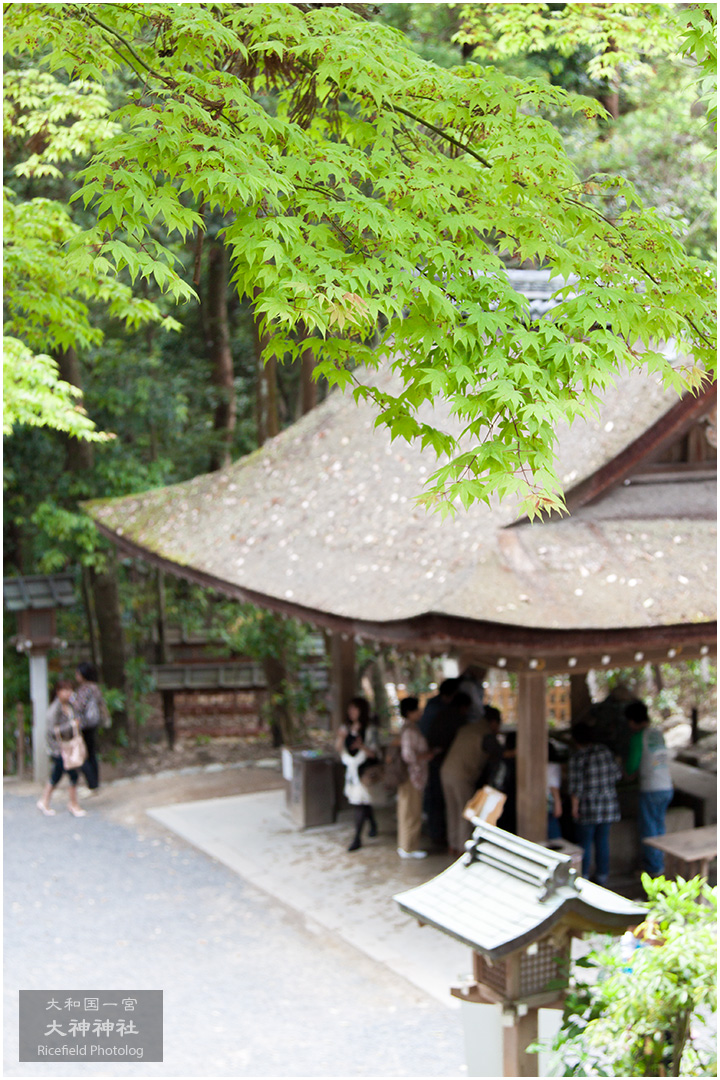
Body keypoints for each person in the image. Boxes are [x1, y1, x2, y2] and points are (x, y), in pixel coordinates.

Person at [568, 721, 621, 886]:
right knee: (602, 841)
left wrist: (574, 808)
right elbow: (617, 775)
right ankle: (602, 876)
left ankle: (582, 877)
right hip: (608, 805)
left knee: (584, 843)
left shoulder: (578, 758)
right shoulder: (605, 751)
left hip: (588, 807)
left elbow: (575, 787)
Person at [625, 701, 674, 876]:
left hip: (651, 788)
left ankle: (654, 871)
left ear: (632, 721)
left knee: (649, 831)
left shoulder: (638, 737)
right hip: (666, 786)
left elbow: (631, 766)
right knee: (659, 827)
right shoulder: (658, 734)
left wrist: (627, 773)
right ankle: (659, 864)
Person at [437, 692, 482, 856]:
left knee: (452, 810)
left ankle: (453, 846)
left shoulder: (462, 726)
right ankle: (464, 849)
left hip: (445, 770)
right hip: (460, 774)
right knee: (465, 811)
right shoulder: (477, 729)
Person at [37, 679, 87, 818]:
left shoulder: (70, 706)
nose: (68, 693)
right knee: (72, 774)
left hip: (68, 747)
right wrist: (71, 725)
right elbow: (52, 732)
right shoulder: (54, 709)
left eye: (70, 689)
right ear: (58, 692)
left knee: (57, 775)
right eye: (65, 690)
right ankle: (73, 804)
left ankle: (44, 801)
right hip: (59, 749)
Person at [397, 696, 434, 859]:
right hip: (412, 776)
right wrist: (426, 756)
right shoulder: (410, 730)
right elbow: (408, 755)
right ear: (410, 712)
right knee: (411, 812)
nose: (420, 712)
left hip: (412, 776)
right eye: (417, 709)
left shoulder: (409, 728)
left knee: (408, 811)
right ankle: (409, 847)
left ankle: (406, 845)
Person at [339, 705, 378, 852]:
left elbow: (374, 754)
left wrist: (361, 746)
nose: (351, 713)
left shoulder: (369, 729)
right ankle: (373, 824)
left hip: (365, 772)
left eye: (355, 709)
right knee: (362, 802)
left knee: (359, 803)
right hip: (351, 772)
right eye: (350, 710)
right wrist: (342, 738)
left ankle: (357, 838)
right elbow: (339, 748)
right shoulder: (345, 728)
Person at [72, 662, 107, 791]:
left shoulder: (84, 689)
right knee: (92, 754)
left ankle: (92, 784)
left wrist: (71, 698)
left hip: (84, 724)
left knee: (82, 754)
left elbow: (79, 706)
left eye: (77, 673)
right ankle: (95, 783)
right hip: (94, 723)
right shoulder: (95, 687)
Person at [547, 742, 564, 840]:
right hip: (550, 801)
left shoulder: (535, 765)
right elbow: (553, 786)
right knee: (554, 832)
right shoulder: (553, 766)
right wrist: (558, 803)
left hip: (536, 801)